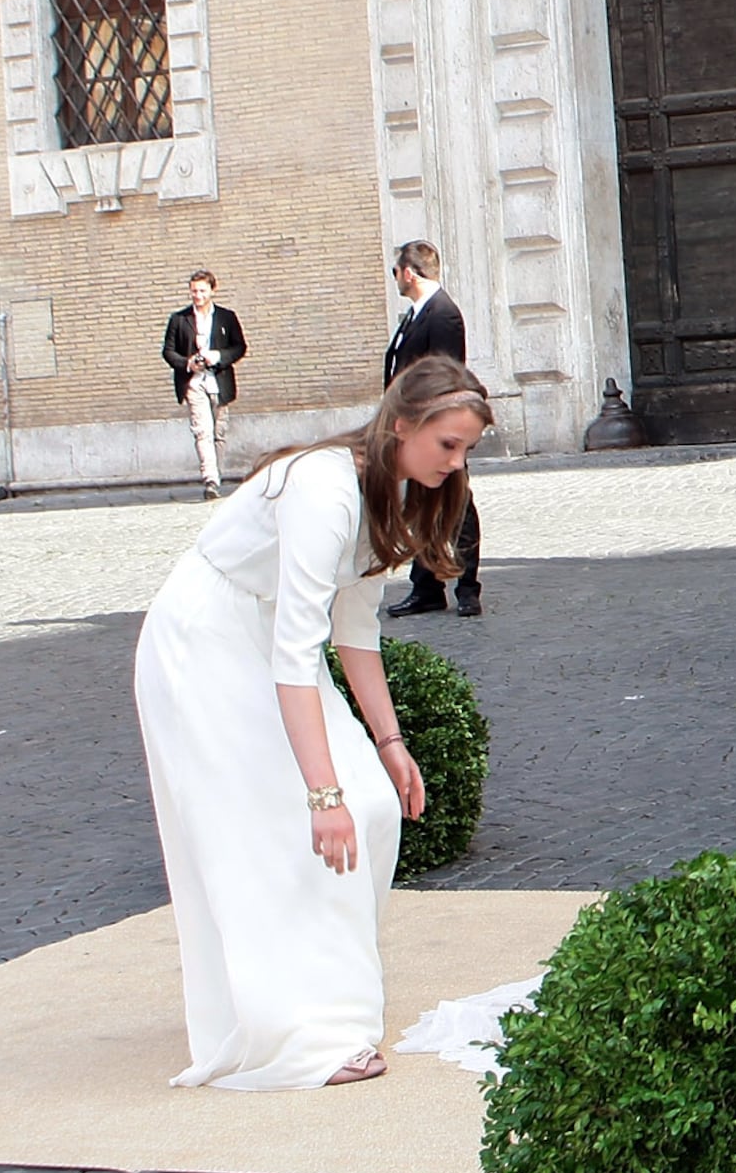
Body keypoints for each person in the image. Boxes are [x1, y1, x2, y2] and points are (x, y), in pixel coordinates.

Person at [133, 355, 480, 1089]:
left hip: (269, 640)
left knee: (377, 806)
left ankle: (328, 1005)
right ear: (404, 427)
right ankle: (303, 1032)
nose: (456, 463)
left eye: (465, 450)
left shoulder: (394, 492)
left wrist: (390, 744)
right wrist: (321, 794)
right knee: (274, 825)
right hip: (207, 635)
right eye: (447, 444)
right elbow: (298, 651)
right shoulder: (325, 487)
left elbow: (355, 630)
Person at [382, 243, 483, 617]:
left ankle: (468, 587)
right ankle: (427, 587)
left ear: (408, 272)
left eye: (395, 271)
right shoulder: (414, 315)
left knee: (457, 503)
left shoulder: (443, 315)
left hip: (437, 429)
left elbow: (445, 376)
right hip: (414, 428)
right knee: (423, 505)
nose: (394, 278)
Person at [161, 272, 247, 499]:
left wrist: (217, 356)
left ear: (212, 291)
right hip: (194, 382)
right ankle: (210, 479)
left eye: (202, 291)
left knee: (219, 432)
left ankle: (216, 474)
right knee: (202, 431)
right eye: (194, 291)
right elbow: (168, 351)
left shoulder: (227, 317)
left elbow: (239, 347)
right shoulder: (179, 319)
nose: (197, 295)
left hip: (219, 381)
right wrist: (187, 363)